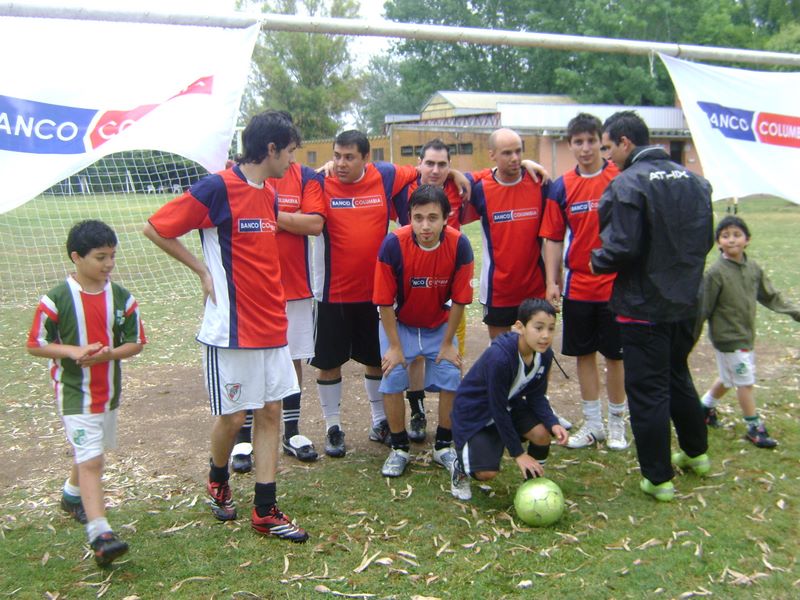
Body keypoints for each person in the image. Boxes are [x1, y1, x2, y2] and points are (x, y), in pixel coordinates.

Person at [143, 111, 309, 542]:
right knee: (234, 417)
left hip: (272, 326)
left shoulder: (270, 193)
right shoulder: (217, 188)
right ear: (271, 149)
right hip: (232, 330)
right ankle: (218, 478)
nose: (293, 160)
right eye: (290, 151)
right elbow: (156, 227)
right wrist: (201, 270)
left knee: (270, 411)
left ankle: (265, 509)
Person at [312, 130, 469, 458]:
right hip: (331, 291)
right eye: (337, 156)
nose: (341, 163)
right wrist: (325, 166)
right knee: (329, 362)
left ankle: (380, 421)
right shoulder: (320, 181)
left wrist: (454, 173)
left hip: (375, 293)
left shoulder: (384, 175)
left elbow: (425, 170)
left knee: (377, 361)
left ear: (366, 158)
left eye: (349, 157)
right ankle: (333, 426)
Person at [590, 110, 714, 502]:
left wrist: (597, 260)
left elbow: (621, 247)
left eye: (608, 147)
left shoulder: (627, 183)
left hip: (643, 306)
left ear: (625, 142)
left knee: (648, 390)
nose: (607, 156)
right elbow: (706, 240)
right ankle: (696, 452)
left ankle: (657, 478)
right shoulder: (695, 181)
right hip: (688, 301)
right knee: (677, 373)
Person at [27, 220, 146, 566]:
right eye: (100, 257)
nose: (109, 264)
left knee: (90, 451)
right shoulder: (56, 299)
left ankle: (71, 495)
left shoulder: (122, 298)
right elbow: (35, 344)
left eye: (112, 256)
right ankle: (101, 534)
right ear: (76, 257)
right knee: (93, 460)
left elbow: (136, 342)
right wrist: (73, 351)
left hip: (107, 391)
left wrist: (109, 355)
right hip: (74, 393)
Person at [229, 159, 325, 472]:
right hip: (250, 289)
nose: (288, 154)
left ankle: (292, 433)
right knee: (249, 360)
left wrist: (268, 215)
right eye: (285, 148)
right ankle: (243, 439)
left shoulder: (306, 176)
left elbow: (314, 224)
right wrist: (289, 219)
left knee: (292, 359)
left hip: (295, 286)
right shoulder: (241, 175)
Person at [373, 185, 474, 478]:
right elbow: (384, 302)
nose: (425, 226)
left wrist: (448, 343)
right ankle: (399, 447)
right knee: (392, 376)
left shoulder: (459, 245)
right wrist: (394, 347)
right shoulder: (393, 244)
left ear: (446, 218)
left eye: (432, 218)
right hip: (400, 325)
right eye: (418, 218)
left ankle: (443, 445)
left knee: (452, 375)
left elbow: (460, 301)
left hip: (438, 325)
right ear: (409, 217)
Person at [541, 113, 628, 451]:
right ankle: (593, 424)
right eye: (579, 142)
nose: (586, 148)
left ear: (601, 142)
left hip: (616, 284)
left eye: (592, 141)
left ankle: (617, 423)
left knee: (616, 357)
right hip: (579, 285)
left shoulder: (619, 177)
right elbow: (553, 238)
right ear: (570, 145)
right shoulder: (561, 186)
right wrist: (552, 280)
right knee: (584, 354)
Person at [389, 139, 475, 444]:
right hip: (412, 283)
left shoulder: (460, 187)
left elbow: (495, 171)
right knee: (413, 355)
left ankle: (451, 422)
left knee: (451, 356)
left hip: (447, 286)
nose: (435, 170)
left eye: (442, 165)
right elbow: (371, 170)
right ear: (419, 165)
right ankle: (417, 409)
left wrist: (529, 163)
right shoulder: (403, 188)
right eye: (430, 163)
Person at [450, 299, 570, 501]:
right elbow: (496, 408)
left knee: (542, 435)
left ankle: (533, 486)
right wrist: (518, 454)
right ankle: (460, 467)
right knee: (486, 474)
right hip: (476, 412)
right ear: (520, 327)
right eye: (538, 328)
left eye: (551, 328)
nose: (545, 335)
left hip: (508, 405)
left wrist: (553, 422)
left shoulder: (545, 355)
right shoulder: (501, 357)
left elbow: (536, 396)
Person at [697, 215, 800, 448]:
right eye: (725, 236)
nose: (731, 240)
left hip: (746, 334)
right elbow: (703, 308)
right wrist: (687, 339)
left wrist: (795, 312)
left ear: (747, 239)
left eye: (737, 235)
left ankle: (704, 408)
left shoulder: (752, 268)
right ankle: (755, 428)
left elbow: (770, 296)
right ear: (718, 242)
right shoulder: (715, 273)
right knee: (745, 382)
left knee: (729, 378)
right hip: (727, 338)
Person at [464, 128, 549, 340]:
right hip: (497, 291)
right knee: (500, 353)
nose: (515, 158)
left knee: (536, 352)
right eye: (507, 153)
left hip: (535, 289)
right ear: (492, 154)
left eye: (518, 151)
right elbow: (452, 202)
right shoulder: (480, 190)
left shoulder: (539, 183)